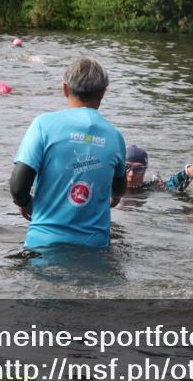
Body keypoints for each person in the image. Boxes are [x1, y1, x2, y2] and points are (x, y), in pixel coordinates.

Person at [10, 58, 127, 249]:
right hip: (95, 248)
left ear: (65, 89)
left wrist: (24, 202)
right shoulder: (115, 137)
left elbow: (17, 186)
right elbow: (119, 189)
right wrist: (114, 197)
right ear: (103, 93)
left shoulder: (43, 125)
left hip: (43, 244)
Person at [121, 145, 193, 193]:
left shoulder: (151, 186)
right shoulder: (108, 185)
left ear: (145, 170)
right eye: (126, 167)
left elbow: (171, 185)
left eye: (138, 169)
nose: (131, 174)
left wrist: (187, 173)